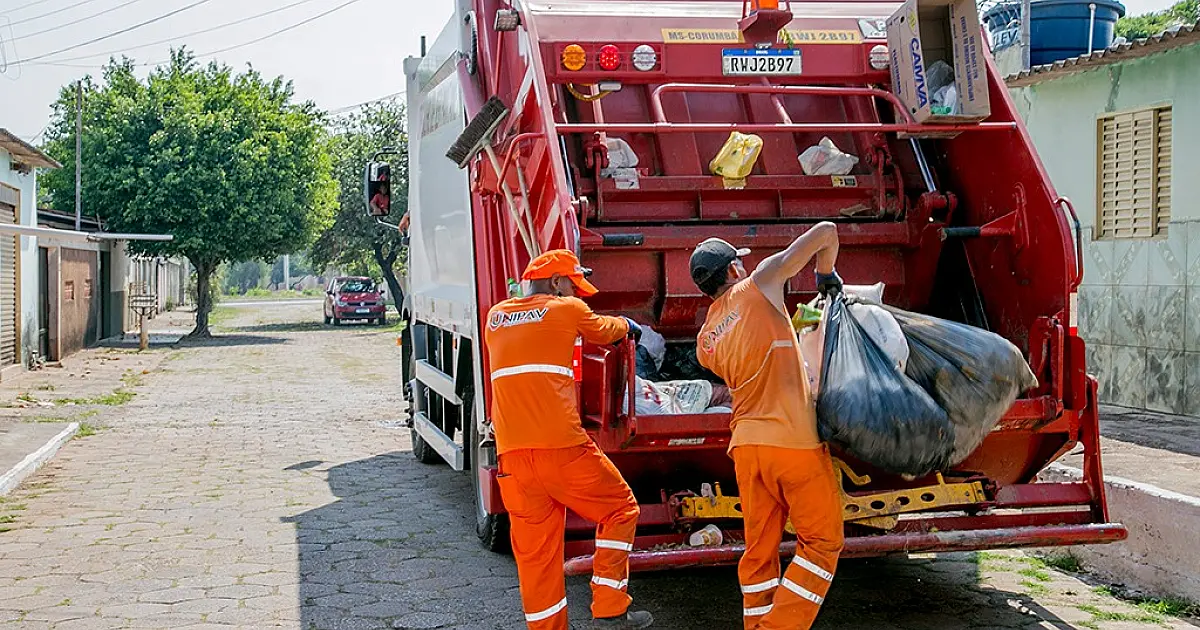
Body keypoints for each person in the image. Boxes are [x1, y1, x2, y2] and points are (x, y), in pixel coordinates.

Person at [484, 249, 653, 630]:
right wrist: (628, 325)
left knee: (537, 556)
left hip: (513, 459)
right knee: (620, 508)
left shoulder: (495, 317)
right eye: (573, 285)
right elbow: (605, 331)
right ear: (558, 283)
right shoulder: (568, 310)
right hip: (563, 450)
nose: (576, 292)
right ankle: (610, 606)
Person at [689, 225, 845, 630]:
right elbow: (826, 232)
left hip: (747, 450)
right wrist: (826, 276)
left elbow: (764, 341)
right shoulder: (760, 283)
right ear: (735, 269)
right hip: (792, 443)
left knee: (759, 554)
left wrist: (797, 320)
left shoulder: (705, 342)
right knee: (823, 544)